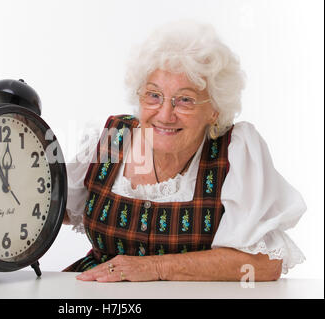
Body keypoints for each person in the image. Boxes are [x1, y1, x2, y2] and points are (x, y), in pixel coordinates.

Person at [62, 20, 306, 282]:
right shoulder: (112, 140)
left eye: (185, 100)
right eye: (153, 95)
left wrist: (156, 268)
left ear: (215, 110)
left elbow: (265, 263)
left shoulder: (235, 152)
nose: (166, 115)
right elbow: (48, 210)